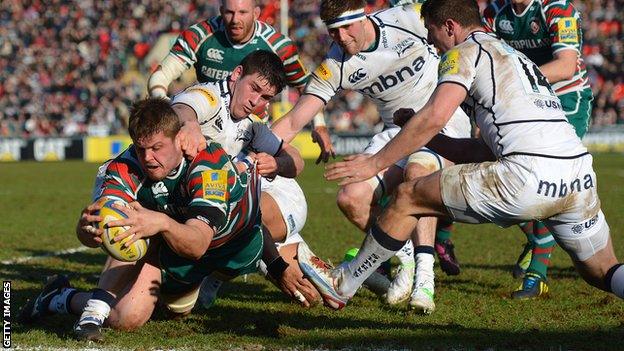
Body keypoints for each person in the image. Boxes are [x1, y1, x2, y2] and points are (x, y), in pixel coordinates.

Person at [305, 0, 624, 309]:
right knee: (602, 270)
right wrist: (421, 132)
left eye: (431, 32)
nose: (431, 42)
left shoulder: (463, 52)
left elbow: (434, 117)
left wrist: (373, 163)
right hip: (577, 175)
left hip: (527, 175)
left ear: (450, 26)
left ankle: (342, 285)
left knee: (407, 197)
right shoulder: (514, 56)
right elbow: (481, 149)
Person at [19, 88, 304, 341]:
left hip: (225, 247)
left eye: (157, 148)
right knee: (126, 318)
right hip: (171, 250)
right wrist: (88, 229)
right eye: (141, 149)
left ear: (180, 139)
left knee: (183, 306)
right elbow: (106, 226)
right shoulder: (125, 167)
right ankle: (63, 298)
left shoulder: (209, 164)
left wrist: (162, 222)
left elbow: (197, 244)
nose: (148, 158)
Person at [272, 0, 471, 313]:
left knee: (416, 174)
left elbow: (461, 33)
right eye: (332, 32)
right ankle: (403, 257)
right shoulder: (335, 63)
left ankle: (424, 278)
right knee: (350, 197)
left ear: (363, 16)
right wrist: (257, 150)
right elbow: (296, 119)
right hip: (397, 131)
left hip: (444, 121)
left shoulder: (407, 17)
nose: (339, 39)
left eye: (345, 28)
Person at [148, 0, 329, 307]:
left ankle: (223, 270)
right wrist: (184, 123)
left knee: (229, 217)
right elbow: (184, 103)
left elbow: (295, 160)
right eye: (254, 89)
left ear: (256, 13)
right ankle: (296, 256)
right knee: (175, 305)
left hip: (263, 195)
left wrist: (278, 161)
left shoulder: (255, 120)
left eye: (265, 96)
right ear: (236, 75)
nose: (256, 100)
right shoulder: (208, 88)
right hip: (223, 188)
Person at [481, 0, 595, 299]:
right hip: (522, 102)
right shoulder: (495, 13)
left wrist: (515, 83)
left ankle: (538, 272)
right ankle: (536, 238)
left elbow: (566, 66)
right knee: (511, 178)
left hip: (566, 99)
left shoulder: (558, 9)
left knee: (551, 175)